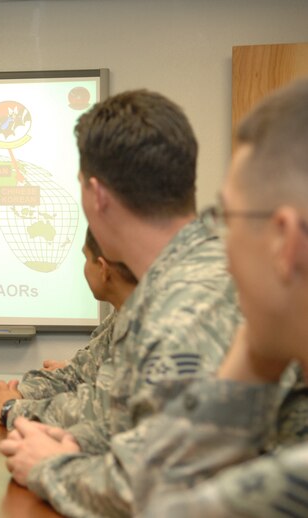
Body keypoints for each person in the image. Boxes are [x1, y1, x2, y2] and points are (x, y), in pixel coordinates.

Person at [0, 89, 241, 517]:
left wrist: (51, 466)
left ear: (97, 195)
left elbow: (168, 492)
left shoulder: (189, 304)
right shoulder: (179, 279)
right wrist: (71, 442)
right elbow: (136, 424)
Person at [115, 78, 308, 516]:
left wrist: (251, 354)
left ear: (285, 241)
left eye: (227, 218)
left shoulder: (287, 488)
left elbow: (157, 503)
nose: (222, 254)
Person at [0, 228, 138, 450]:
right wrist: (20, 393)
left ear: (102, 269)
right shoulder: (124, 314)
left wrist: (10, 408)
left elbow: (102, 411)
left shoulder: (147, 321)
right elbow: (75, 374)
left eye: (85, 259)